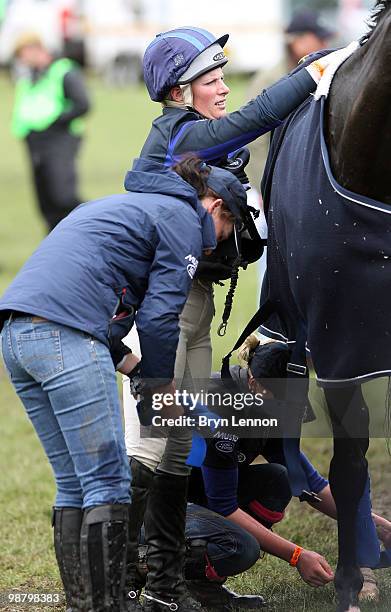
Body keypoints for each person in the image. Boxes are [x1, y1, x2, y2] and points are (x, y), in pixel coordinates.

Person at [123, 26, 352, 612]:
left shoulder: (194, 134)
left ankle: (175, 584)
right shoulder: (181, 134)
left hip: (197, 303)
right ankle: (124, 578)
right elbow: (250, 120)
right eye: (211, 78)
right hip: (167, 305)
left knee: (178, 446)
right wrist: (318, 69)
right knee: (157, 444)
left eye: (224, 76)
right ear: (179, 92)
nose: (223, 87)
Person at [0, 157, 245, 612]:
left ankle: (85, 604)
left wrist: (134, 369)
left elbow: (97, 302)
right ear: (214, 208)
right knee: (109, 482)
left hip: (17, 334)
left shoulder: (128, 206)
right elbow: (157, 318)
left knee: (75, 484)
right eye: (229, 230)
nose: (220, 245)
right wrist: (160, 390)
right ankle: (110, 604)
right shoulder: (185, 221)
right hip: (67, 334)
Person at [246, 9, 335, 188]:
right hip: (276, 183)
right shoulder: (269, 80)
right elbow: (255, 142)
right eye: (319, 39)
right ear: (298, 41)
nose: (326, 44)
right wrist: (266, 187)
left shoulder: (327, 75)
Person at [11, 33, 90, 231]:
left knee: (62, 196)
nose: (22, 60)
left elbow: (83, 104)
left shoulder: (63, 70)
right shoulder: (31, 75)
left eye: (22, 55)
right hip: (34, 142)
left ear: (34, 49)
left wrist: (55, 121)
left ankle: (94, 228)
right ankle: (55, 247)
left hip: (59, 139)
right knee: (45, 202)